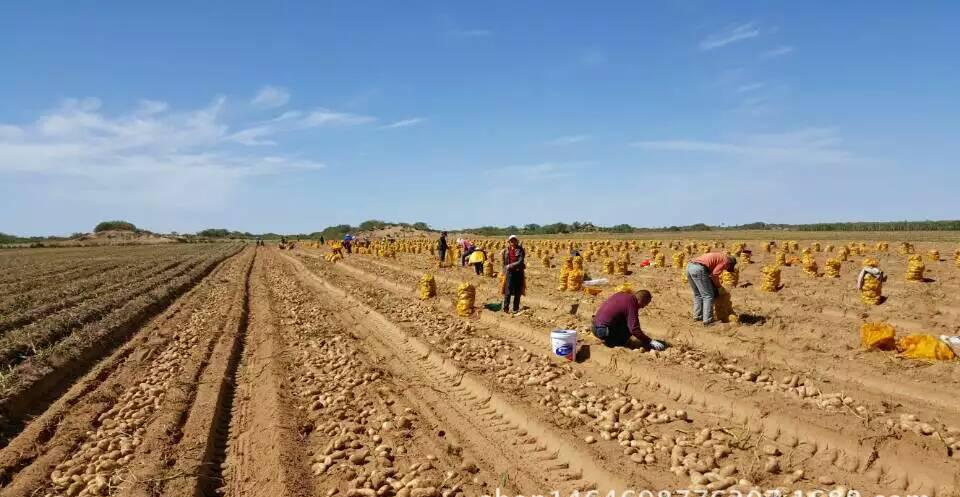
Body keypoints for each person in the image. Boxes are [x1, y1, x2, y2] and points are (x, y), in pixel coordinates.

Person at [592, 290, 666, 350]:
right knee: (628, 330)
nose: (643, 307)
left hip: (594, 327)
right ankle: (613, 343)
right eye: (645, 304)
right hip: (603, 331)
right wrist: (649, 341)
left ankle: (611, 339)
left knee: (625, 322)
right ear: (641, 300)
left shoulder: (621, 294)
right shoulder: (632, 303)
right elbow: (634, 329)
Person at [686, 252, 737, 326]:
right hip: (699, 269)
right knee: (708, 296)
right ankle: (708, 321)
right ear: (730, 264)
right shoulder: (725, 261)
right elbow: (714, 275)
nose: (726, 269)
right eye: (728, 268)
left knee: (698, 294)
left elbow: (710, 275)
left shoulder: (719, 256)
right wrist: (719, 287)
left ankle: (697, 317)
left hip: (689, 267)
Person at [500, 235, 526, 313]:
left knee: (518, 292)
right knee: (507, 291)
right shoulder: (506, 251)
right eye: (511, 241)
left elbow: (520, 261)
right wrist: (503, 271)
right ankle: (506, 308)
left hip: (518, 272)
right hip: (509, 273)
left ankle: (516, 308)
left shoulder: (520, 250)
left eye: (514, 240)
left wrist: (510, 265)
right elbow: (504, 262)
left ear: (516, 241)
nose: (512, 242)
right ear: (509, 242)